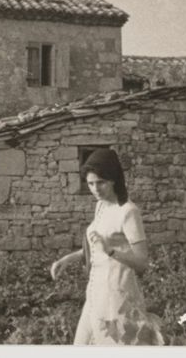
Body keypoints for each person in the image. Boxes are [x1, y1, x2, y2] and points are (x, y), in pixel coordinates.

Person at [50, 148, 163, 345]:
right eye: (91, 183)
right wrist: (67, 259)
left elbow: (142, 262)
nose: (96, 189)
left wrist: (111, 251)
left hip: (117, 297)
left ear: (114, 179)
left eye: (101, 182)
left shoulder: (128, 212)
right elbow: (97, 247)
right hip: (96, 292)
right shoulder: (101, 205)